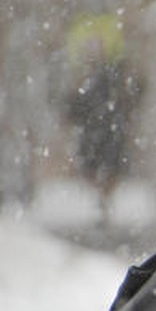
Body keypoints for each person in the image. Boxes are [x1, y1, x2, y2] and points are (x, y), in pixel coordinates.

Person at [64, 24, 144, 224]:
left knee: (110, 162)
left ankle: (104, 198)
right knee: (96, 162)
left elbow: (132, 94)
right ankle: (101, 198)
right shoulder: (87, 74)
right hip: (96, 126)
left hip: (108, 125)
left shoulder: (113, 73)